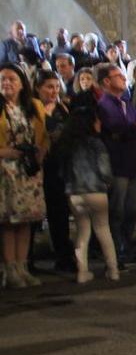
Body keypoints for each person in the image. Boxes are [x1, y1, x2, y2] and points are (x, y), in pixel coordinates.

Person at [57, 97, 119, 283]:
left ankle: (82, 271)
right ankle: (113, 269)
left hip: (75, 192)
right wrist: (108, 182)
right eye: (97, 120)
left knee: (82, 231)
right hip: (96, 190)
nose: (100, 122)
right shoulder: (96, 144)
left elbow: (62, 172)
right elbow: (104, 169)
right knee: (103, 229)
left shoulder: (67, 145)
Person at [0, 63, 48, 288]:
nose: (6, 83)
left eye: (11, 79)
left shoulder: (35, 106)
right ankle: (10, 269)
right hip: (6, 170)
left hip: (29, 171)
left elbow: (44, 136)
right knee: (10, 221)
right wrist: (6, 152)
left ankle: (23, 265)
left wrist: (40, 153)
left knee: (27, 219)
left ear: (22, 83)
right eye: (3, 79)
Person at [95, 62, 136, 266]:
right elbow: (117, 127)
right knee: (117, 210)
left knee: (132, 210)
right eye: (119, 76)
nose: (124, 78)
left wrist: (134, 128)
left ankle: (126, 245)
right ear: (107, 81)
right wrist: (133, 128)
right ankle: (116, 249)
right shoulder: (104, 105)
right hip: (118, 165)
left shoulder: (126, 102)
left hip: (133, 163)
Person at [35, 69, 76, 273]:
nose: (54, 91)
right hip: (40, 166)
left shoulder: (63, 108)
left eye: (57, 87)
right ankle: (27, 259)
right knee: (34, 216)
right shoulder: (35, 109)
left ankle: (64, 256)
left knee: (59, 213)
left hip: (60, 167)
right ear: (38, 88)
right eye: (49, 87)